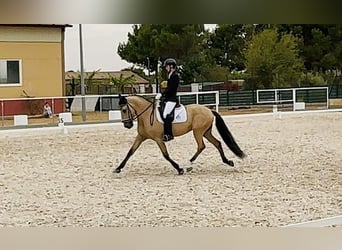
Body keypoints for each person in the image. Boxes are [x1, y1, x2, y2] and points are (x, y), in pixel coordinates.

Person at [160, 58, 180, 142]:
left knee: (165, 114)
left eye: (166, 66)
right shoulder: (170, 75)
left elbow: (171, 89)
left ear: (171, 66)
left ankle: (169, 134)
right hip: (168, 98)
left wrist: (163, 94)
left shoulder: (175, 76)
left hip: (172, 99)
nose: (165, 68)